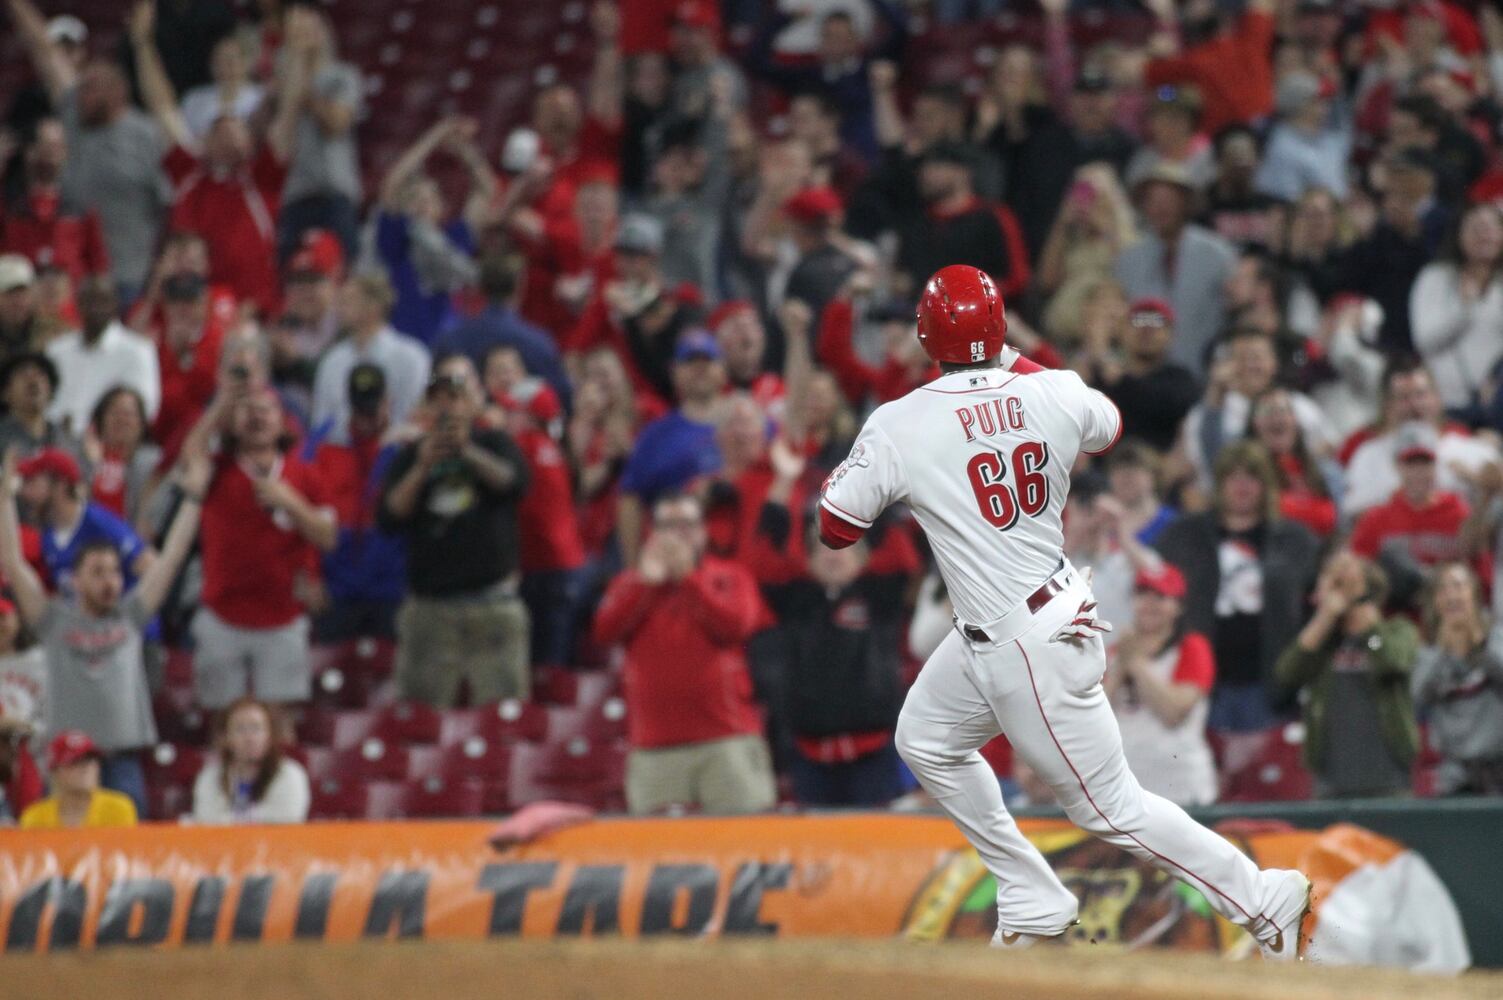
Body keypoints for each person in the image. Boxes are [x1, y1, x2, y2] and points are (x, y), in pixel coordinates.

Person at [821, 264, 1312, 956]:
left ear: (925, 334)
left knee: (1109, 807)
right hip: (1030, 615)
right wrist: (1011, 364)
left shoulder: (899, 420)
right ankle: (1029, 891)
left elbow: (836, 527)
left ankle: (1263, 897)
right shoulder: (1049, 388)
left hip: (1022, 640)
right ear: (998, 330)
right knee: (926, 738)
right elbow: (1107, 427)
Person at [1, 444, 211, 816]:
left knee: (129, 863)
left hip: (122, 759)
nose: (111, 581)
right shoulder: (54, 621)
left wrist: (194, 497)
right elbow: (13, 562)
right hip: (65, 764)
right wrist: (4, 495)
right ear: (75, 581)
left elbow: (172, 557)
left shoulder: (131, 616)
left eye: (115, 572)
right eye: (98, 572)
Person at [593, 491, 775, 815]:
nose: (678, 534)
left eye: (688, 524)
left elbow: (736, 626)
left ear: (703, 532)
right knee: (657, 856)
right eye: (668, 525)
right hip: (653, 749)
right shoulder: (631, 583)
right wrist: (645, 585)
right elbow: (605, 632)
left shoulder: (730, 576)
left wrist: (689, 579)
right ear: (652, 533)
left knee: (745, 846)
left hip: (726, 741)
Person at [130, 0, 301, 318]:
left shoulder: (263, 177)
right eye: (219, 128)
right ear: (204, 141)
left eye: (236, 128)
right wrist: (142, 44)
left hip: (245, 311)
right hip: (183, 306)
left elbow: (289, 113)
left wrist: (300, 56)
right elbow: (161, 106)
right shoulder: (187, 171)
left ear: (250, 141)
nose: (228, 133)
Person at [378, 360, 531, 706]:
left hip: (492, 603)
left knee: (502, 716)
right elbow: (389, 517)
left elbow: (515, 483)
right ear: (427, 407)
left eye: (456, 397)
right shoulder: (409, 455)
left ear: (474, 403)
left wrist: (467, 452)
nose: (448, 406)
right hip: (431, 608)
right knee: (420, 716)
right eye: (439, 399)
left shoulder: (495, 442)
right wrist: (422, 467)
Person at [182, 384, 336, 711]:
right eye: (248, 410)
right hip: (222, 615)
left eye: (266, 409)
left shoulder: (305, 474)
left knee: (280, 723)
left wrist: (291, 503)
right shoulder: (216, 468)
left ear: (283, 421)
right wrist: (222, 401)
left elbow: (328, 536)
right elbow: (190, 452)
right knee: (223, 721)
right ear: (233, 423)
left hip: (282, 617)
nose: (257, 417)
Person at [1156, 441, 1321, 733]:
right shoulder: (1183, 536)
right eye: (1233, 476)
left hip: (1272, 685)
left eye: (1252, 476)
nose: (1242, 485)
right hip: (1200, 684)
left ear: (1267, 485)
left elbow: (1314, 604)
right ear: (1219, 484)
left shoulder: (1296, 540)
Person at [1275, 552, 1418, 799]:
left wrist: (1369, 630)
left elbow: (1392, 661)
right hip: (1331, 780)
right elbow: (1287, 673)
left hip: (1387, 778)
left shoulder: (1398, 629)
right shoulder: (1323, 642)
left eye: (1343, 585)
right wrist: (1325, 617)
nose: (1337, 592)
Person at [1105, 563, 1218, 808]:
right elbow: (1095, 713)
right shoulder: (1115, 652)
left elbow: (1174, 711)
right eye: (1143, 594)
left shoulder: (1191, 647)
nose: (1150, 603)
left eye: (1161, 596)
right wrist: (1120, 666)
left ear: (1178, 606)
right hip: (1125, 787)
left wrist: (1135, 662)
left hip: (1180, 786)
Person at [311, 363, 407, 643]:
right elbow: (304, 516)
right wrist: (311, 573)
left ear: (388, 402)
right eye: (360, 407)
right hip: (336, 590)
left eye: (373, 407)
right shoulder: (322, 446)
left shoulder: (403, 448)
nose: (366, 416)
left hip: (390, 589)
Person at [615, 330, 727, 564]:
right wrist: (633, 566)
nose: (700, 369)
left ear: (722, 369)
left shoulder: (750, 422)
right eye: (690, 362)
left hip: (740, 556)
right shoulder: (655, 436)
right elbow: (630, 500)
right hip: (676, 559)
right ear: (674, 372)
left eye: (707, 361)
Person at [1115, 163, 1238, 376]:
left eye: (1169, 200)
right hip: (1144, 380)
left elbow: (1234, 315)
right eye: (1152, 200)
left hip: (1204, 374)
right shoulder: (1127, 260)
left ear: (1187, 204)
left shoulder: (1219, 255)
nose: (1161, 208)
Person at [432, 253, 570, 408]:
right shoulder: (539, 342)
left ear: (481, 287)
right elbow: (562, 398)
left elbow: (435, 391)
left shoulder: (451, 338)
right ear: (519, 286)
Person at [1412, 563, 1503, 795]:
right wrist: (1444, 651)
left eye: (1458, 586)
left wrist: (1480, 644)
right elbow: (1415, 699)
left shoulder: (1497, 637)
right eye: (1442, 590)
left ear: (1474, 594)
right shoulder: (1428, 653)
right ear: (1435, 603)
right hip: (1453, 773)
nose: (1451, 595)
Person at [311, 272, 431, 442]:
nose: (338, 308)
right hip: (342, 454)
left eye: (348, 301)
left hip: (395, 450)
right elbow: (321, 422)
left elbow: (414, 415)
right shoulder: (332, 360)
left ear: (374, 306)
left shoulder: (411, 357)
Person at [1409, 202, 1503, 415]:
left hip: (1498, 404)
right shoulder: (1434, 278)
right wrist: (1463, 310)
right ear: (1459, 234)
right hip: (1446, 404)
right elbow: (1424, 341)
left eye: (1491, 227)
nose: (1484, 234)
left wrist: (1498, 376)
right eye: (1476, 228)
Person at [1081, 299, 1200, 453]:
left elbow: (1159, 404)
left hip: (1158, 470)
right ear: (1122, 331)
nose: (1146, 331)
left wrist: (1114, 372)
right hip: (1105, 469)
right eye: (1137, 322)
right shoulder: (1101, 376)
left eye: (1157, 324)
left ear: (1171, 335)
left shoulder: (1180, 379)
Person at [45, 275, 160, 435]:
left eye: (103, 301)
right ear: (78, 304)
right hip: (57, 438)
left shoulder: (137, 351)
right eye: (89, 301)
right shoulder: (57, 350)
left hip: (110, 444)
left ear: (115, 305)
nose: (95, 307)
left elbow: (145, 409)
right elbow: (47, 403)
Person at [191, 697, 310, 824]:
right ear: (226, 738)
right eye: (240, 729)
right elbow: (206, 820)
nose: (249, 738)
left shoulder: (290, 774)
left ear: (270, 735)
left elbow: (287, 816)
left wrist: (230, 819)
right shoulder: (210, 777)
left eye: (256, 728)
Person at [18, 730, 137, 829]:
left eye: (90, 760)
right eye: (75, 762)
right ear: (56, 771)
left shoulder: (118, 808)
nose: (86, 769)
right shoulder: (35, 817)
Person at [0, 351, 77, 459]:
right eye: (23, 374)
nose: (33, 379)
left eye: (40, 374)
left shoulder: (67, 441)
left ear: (51, 391)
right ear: (5, 392)